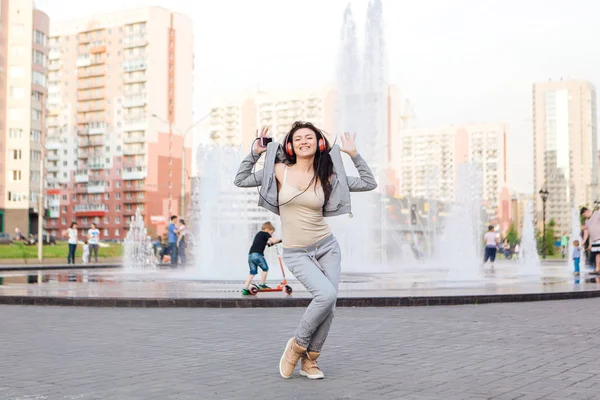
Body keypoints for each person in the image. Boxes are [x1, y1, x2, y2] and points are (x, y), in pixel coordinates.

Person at [234, 122, 377, 380]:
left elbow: (369, 183)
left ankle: (310, 361)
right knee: (325, 295)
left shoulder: (329, 174)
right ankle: (296, 346)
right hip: (296, 251)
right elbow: (240, 179)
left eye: (308, 137)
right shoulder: (278, 170)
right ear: (290, 145)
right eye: (297, 138)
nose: (303, 141)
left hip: (327, 247)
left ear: (318, 143)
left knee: (329, 303)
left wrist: (353, 154)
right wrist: (255, 152)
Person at [242, 221, 282, 295]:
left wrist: (273, 243)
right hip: (258, 255)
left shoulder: (259, 234)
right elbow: (272, 240)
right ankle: (262, 284)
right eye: (271, 233)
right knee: (265, 269)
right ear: (267, 229)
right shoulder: (265, 233)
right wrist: (281, 240)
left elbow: (268, 243)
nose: (271, 234)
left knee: (252, 272)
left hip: (250, 255)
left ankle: (245, 289)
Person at [581, 207, 600, 275]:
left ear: (587, 211)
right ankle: (597, 268)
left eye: (584, 214)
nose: (585, 216)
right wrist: (584, 241)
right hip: (594, 240)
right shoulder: (587, 221)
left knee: (598, 254)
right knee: (597, 254)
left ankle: (598, 268)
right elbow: (586, 232)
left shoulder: (596, 214)